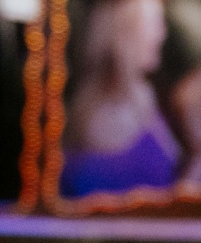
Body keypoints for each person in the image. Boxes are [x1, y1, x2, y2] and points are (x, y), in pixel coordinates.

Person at [61, 0, 182, 195]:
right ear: (124, 32)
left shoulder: (147, 97)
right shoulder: (85, 113)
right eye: (155, 23)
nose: (162, 34)